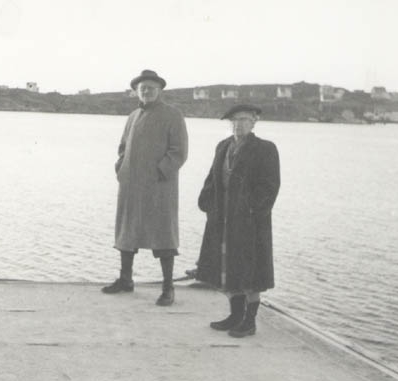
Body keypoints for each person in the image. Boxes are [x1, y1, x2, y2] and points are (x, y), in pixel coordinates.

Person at [102, 69, 188, 306]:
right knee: (126, 233)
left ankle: (168, 288)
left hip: (159, 187)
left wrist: (160, 172)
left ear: (159, 90)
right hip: (130, 185)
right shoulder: (132, 116)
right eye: (142, 88)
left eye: (151, 87)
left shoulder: (173, 115)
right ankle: (125, 280)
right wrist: (121, 168)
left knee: (164, 236)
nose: (146, 91)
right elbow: (122, 147)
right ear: (136, 91)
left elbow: (179, 152)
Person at [194, 104, 280, 336]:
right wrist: (206, 202)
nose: (238, 124)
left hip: (251, 223)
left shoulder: (265, 148)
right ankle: (234, 316)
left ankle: (249, 322)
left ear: (254, 122)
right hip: (222, 220)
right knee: (227, 267)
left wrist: (252, 210)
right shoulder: (223, 146)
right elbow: (212, 178)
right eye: (234, 120)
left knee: (251, 272)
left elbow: (270, 186)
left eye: (243, 120)